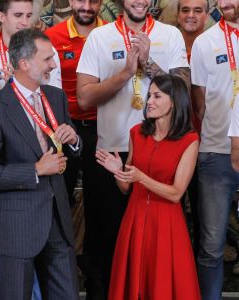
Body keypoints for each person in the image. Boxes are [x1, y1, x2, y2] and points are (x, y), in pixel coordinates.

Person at [77, 0, 189, 295]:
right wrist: (126, 72)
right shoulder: (99, 37)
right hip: (113, 151)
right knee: (107, 238)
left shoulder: (170, 34)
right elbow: (85, 98)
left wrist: (149, 63)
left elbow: (184, 91)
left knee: (154, 238)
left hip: (161, 149)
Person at [0, 28, 81, 300]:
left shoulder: (56, 97)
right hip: (16, 229)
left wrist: (75, 139)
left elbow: (72, 147)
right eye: (47, 59)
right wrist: (35, 170)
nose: (54, 64)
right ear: (24, 64)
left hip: (58, 223)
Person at [96, 74, 200, 300]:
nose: (149, 101)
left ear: (174, 101)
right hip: (135, 218)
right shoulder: (136, 132)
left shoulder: (189, 140)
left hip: (167, 224)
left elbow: (176, 193)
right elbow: (126, 187)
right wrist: (118, 171)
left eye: (157, 96)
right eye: (149, 95)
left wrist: (141, 178)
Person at [45, 1, 106, 297]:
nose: (86, 5)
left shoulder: (110, 34)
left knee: (99, 204)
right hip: (62, 131)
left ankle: (96, 279)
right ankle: (62, 275)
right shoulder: (52, 36)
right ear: (70, 2)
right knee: (59, 203)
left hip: (101, 130)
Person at [190, 0, 239, 299]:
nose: (226, 3)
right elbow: (199, 102)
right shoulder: (205, 42)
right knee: (210, 246)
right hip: (216, 154)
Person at [0, 0, 61, 106]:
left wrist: (25, 84)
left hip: (40, 121)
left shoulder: (48, 52)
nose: (25, 22)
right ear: (1, 16)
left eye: (28, 16)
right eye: (18, 15)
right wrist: (9, 94)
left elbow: (55, 100)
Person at [177, 0, 209, 258]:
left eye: (198, 10)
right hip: (172, 141)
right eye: (185, 10)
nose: (191, 15)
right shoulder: (168, 44)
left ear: (207, 15)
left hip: (206, 142)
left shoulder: (216, 44)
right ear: (177, 15)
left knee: (202, 212)